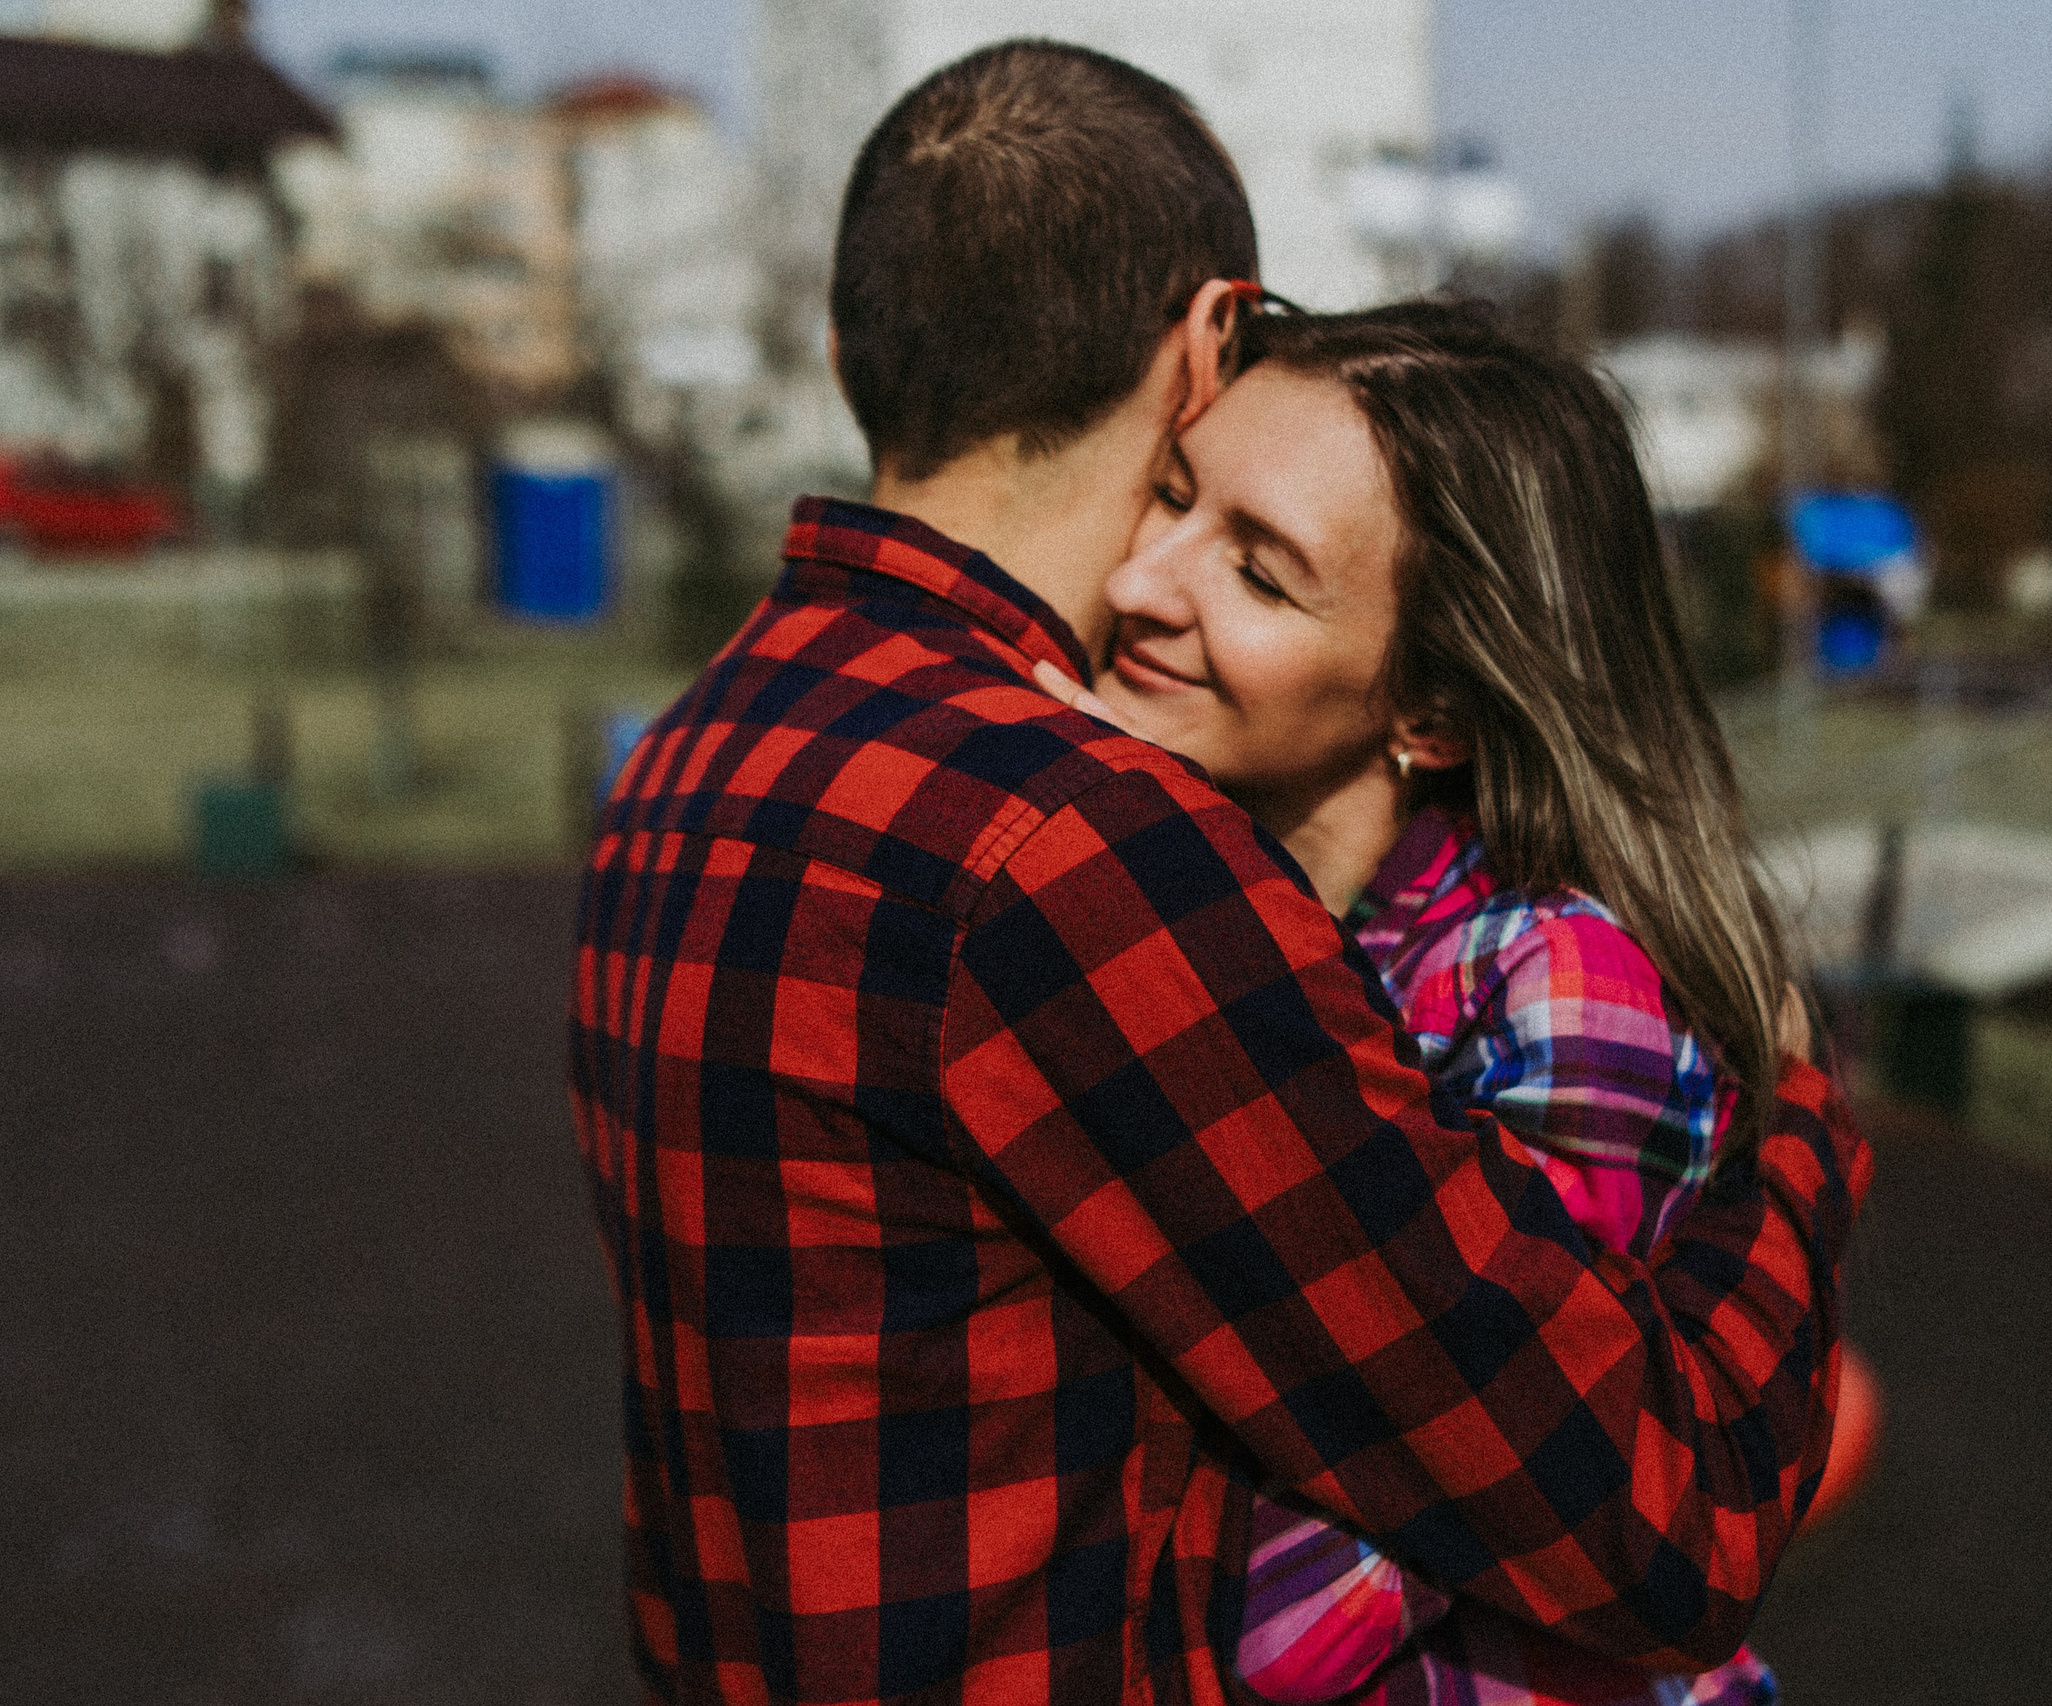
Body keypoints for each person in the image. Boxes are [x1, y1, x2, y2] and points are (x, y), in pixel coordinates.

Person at [568, 38, 1870, 1706]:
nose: (1174, 576)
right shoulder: (1075, 842)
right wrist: (1804, 1124)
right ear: (1209, 339)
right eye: (1185, 502)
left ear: (843, 352)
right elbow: (1651, 1527)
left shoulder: (689, 758)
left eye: (1253, 557)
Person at [1046, 302, 1796, 1705]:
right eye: (1171, 495)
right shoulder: (1302, 929)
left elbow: (1307, 1624)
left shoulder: (1557, 994)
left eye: (1259, 575)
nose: (1145, 578)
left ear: (1433, 712)